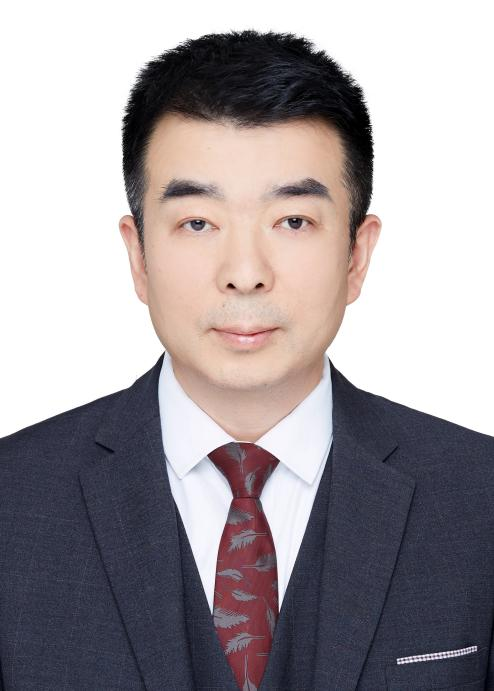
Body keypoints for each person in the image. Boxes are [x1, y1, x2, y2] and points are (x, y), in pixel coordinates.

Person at [0, 28, 493, 691]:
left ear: (357, 255)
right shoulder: (13, 501)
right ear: (138, 255)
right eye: (197, 222)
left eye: (293, 221)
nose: (244, 272)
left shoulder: (479, 497)